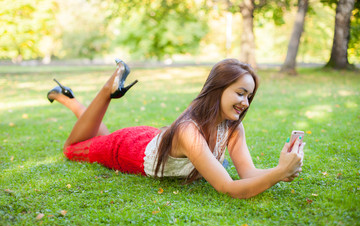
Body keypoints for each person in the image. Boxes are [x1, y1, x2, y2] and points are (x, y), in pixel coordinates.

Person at [47, 58, 305, 199]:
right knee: (72, 149)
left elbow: (247, 174)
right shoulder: (189, 131)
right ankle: (101, 91)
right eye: (240, 93)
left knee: (100, 136)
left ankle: (66, 97)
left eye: (249, 96)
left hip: (150, 139)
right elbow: (228, 188)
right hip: (127, 149)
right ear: (217, 89)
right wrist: (279, 173)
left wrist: (281, 169)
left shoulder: (233, 129)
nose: (245, 102)